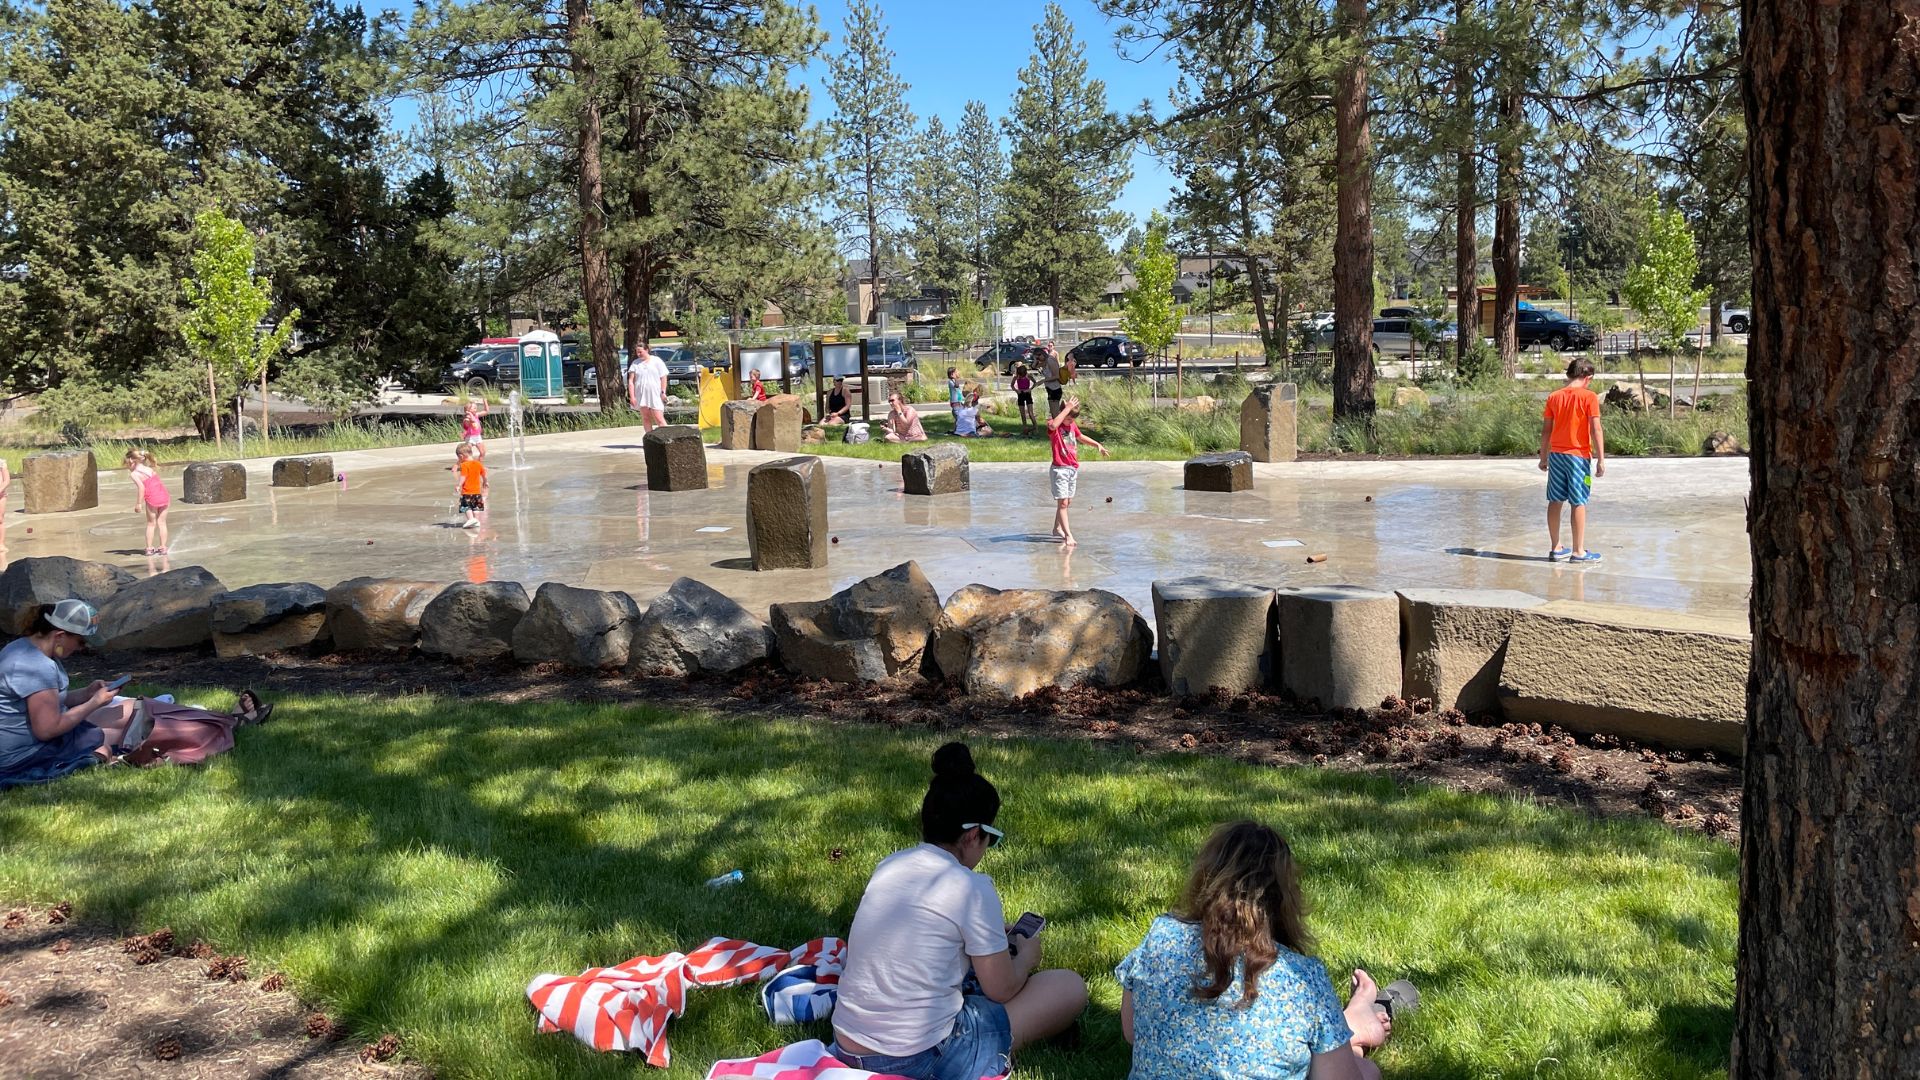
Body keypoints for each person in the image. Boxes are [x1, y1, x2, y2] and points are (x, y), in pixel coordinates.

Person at [830, 742, 1087, 1080]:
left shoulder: (890, 865)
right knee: (1069, 987)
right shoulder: (972, 888)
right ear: (973, 836)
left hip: (847, 1042)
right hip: (917, 1057)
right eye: (990, 839)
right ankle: (992, 1051)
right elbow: (1002, 990)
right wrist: (1026, 957)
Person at [1116, 821, 1395, 1080]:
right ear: (1284, 898)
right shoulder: (1303, 978)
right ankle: (1353, 1030)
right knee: (1365, 1072)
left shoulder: (1161, 937)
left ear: (1206, 878)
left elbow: (1132, 1032)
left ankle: (1350, 1028)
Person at [1538, 356, 1606, 563]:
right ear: (1588, 377)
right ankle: (1578, 551)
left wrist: (1543, 456)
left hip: (1556, 455)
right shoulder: (1589, 397)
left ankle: (1556, 547)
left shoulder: (1554, 397)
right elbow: (1596, 429)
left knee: (1555, 500)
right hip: (1578, 456)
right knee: (1579, 501)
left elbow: (1546, 430)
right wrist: (1601, 458)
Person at [1046, 396, 1108, 547]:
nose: (1070, 422)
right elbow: (1054, 425)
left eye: (1072, 420)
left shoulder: (1072, 426)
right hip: (1060, 469)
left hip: (1072, 468)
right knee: (1063, 503)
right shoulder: (1055, 426)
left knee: (1066, 502)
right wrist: (1066, 408)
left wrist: (1097, 444)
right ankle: (1068, 535)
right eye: (1068, 419)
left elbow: (1080, 437)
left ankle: (1057, 528)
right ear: (1062, 412)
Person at [123, 448, 170, 555]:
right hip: (164, 495)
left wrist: (139, 503)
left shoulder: (134, 474)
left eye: (126, 464)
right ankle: (163, 547)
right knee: (162, 523)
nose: (128, 467)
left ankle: (149, 548)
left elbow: (142, 488)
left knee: (151, 524)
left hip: (152, 498)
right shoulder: (148, 469)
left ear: (131, 460)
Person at [628, 345, 670, 431]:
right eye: (637, 352)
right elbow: (631, 381)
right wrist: (632, 396)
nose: (638, 354)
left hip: (655, 393)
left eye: (640, 352)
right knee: (646, 418)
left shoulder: (656, 361)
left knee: (658, 417)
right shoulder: (635, 363)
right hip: (641, 394)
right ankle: (649, 438)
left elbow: (663, 377)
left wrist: (663, 392)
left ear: (646, 350)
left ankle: (668, 437)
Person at [453, 441, 488, 529]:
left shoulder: (464, 465)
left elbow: (463, 476)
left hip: (467, 491)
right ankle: (476, 521)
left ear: (461, 456)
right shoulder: (478, 464)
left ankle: (471, 519)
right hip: (477, 490)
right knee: (476, 507)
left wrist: (459, 485)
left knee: (466, 506)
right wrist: (485, 481)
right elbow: (484, 474)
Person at [1010, 363, 1037, 435]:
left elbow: (1035, 383)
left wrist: (1030, 389)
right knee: (1022, 414)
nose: (1021, 377)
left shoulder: (1028, 376)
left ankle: (1035, 427)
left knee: (1030, 413)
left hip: (1027, 393)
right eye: (1020, 375)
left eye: (1022, 375)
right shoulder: (1016, 377)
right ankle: (1025, 428)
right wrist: (1016, 390)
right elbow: (1012, 385)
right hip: (1020, 394)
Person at [1040, 343, 1066, 417]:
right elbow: (1034, 365)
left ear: (1053, 346)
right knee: (1052, 411)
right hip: (1049, 387)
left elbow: (1057, 364)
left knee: (1055, 411)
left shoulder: (1054, 354)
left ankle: (1059, 422)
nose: (1049, 347)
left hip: (1054, 386)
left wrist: (1045, 380)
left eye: (1051, 346)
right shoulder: (1047, 355)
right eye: (1048, 345)